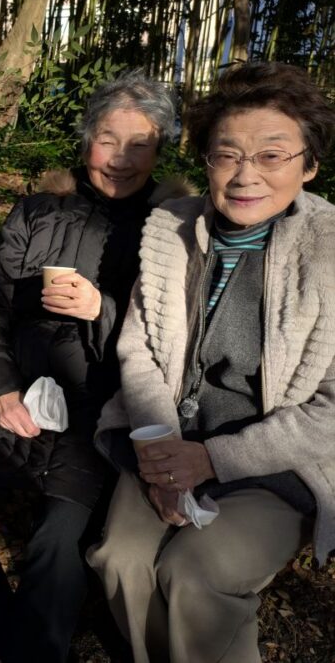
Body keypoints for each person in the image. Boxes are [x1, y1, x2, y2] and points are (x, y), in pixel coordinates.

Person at [0, 71, 187, 663]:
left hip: (101, 408)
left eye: (139, 143)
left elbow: (178, 340)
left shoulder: (173, 228)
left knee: (59, 539)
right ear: (85, 140)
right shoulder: (38, 211)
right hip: (14, 388)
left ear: (159, 149)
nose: (121, 158)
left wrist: (104, 309)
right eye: (107, 138)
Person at [86, 62, 335, 663]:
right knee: (118, 558)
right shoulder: (172, 227)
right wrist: (158, 446)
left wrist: (211, 459)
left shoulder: (328, 248)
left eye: (272, 156)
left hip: (276, 460)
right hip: (170, 439)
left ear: (309, 165)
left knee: (196, 573)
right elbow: (139, 344)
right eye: (227, 155)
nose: (246, 175)